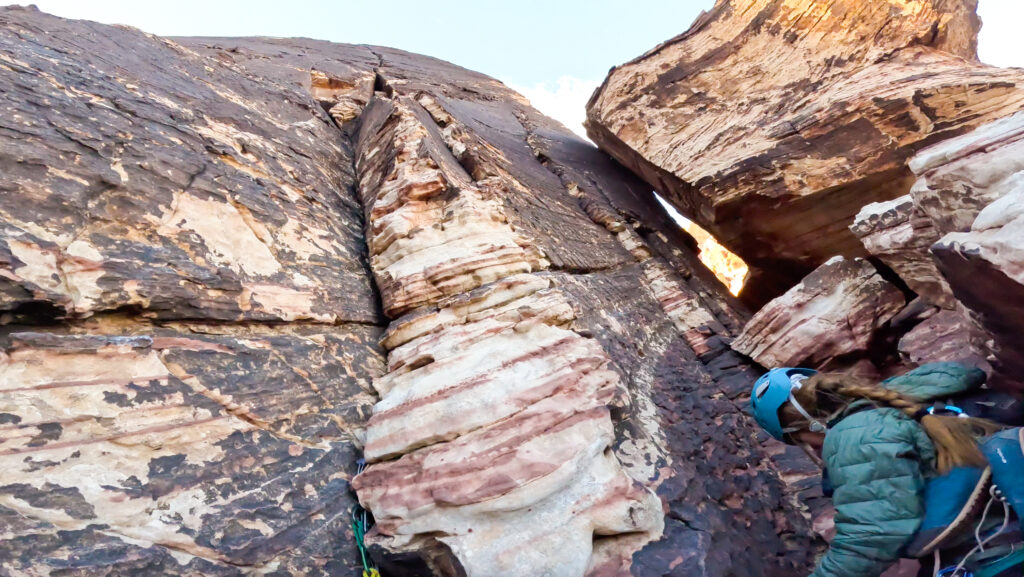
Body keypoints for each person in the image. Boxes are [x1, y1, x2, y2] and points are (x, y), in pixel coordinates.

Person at [750, 363, 1022, 577]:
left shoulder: (856, 435)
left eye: (804, 442)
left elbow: (872, 535)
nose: (815, 450)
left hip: (997, 552)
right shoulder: (903, 396)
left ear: (812, 426)